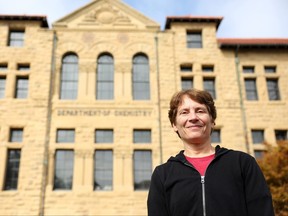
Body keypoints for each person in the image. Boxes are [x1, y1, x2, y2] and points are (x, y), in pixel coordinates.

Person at [147, 89, 274, 216]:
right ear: (174, 124)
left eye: (200, 111)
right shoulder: (162, 175)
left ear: (212, 121)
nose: (193, 118)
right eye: (184, 112)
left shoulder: (242, 163)